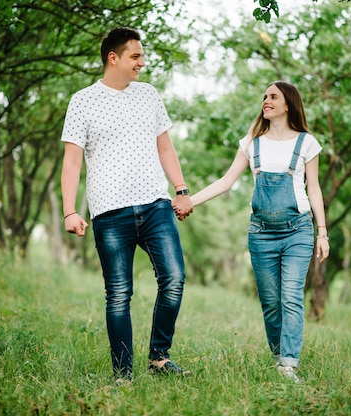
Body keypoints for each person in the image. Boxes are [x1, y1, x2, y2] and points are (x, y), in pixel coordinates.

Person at [60, 27, 193, 382]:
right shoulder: (82, 101)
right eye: (136, 56)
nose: (142, 62)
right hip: (109, 211)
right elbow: (72, 160)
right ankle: (123, 374)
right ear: (113, 58)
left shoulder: (148, 95)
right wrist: (70, 210)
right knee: (118, 294)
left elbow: (165, 147)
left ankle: (159, 357)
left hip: (155, 205)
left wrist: (181, 189)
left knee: (175, 278)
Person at [181, 81, 329, 383]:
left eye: (273, 96)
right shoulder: (252, 142)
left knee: (291, 297)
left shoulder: (307, 143)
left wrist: (322, 233)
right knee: (271, 303)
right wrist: (189, 201)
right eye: (264, 96)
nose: (266, 101)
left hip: (298, 230)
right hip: (261, 233)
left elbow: (314, 188)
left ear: (288, 103)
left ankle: (289, 364)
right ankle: (278, 356)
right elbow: (225, 182)